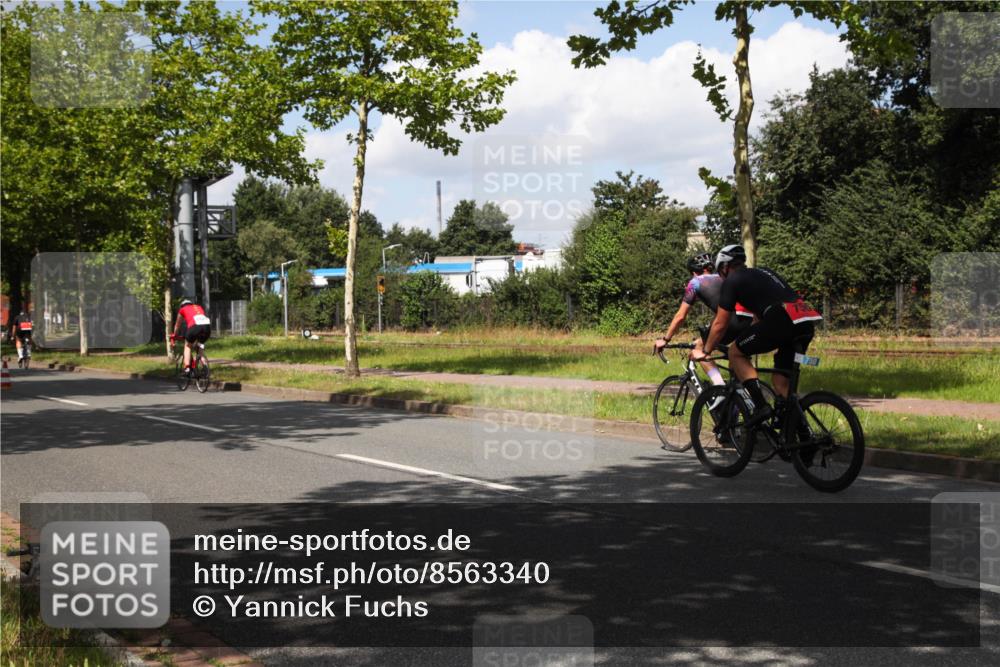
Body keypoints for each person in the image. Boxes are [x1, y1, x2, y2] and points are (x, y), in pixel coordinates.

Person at [697, 245, 822, 424]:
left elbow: (720, 323)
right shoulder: (764, 272)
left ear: (725, 268)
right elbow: (758, 317)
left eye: (720, 272)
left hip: (781, 319)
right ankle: (800, 433)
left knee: (735, 352)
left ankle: (761, 407)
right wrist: (748, 337)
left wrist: (706, 350)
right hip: (805, 320)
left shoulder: (732, 280)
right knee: (781, 382)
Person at [654, 252, 753, 386]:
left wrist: (665, 339)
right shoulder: (724, 276)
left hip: (731, 323)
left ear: (694, 272)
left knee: (699, 347)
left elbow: (680, 316)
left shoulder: (695, 282)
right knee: (735, 359)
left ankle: (719, 389)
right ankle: (740, 397)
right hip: (750, 321)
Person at [172, 298, 211, 375]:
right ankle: (205, 368)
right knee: (200, 348)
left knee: (188, 346)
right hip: (207, 328)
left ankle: (187, 369)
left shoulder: (182, 309)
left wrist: (175, 334)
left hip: (195, 327)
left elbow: (177, 325)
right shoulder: (198, 307)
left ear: (182, 306)